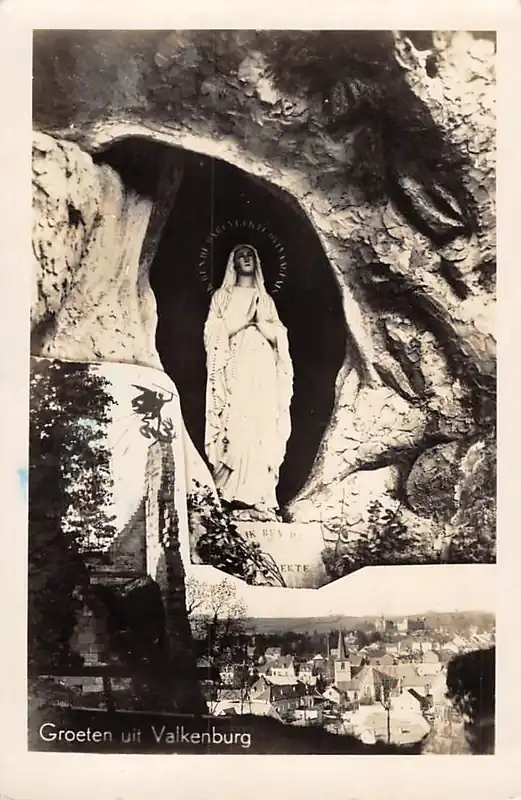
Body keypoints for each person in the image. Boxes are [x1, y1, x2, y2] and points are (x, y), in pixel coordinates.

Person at [204, 243, 293, 520]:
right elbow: (212, 333)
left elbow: (279, 335)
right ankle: (229, 492)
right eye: (241, 255)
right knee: (235, 422)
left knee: (261, 424)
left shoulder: (265, 300)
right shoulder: (222, 296)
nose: (246, 259)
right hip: (235, 367)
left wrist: (262, 326)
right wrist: (244, 321)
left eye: (250, 255)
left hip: (262, 369)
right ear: (232, 262)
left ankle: (261, 495)